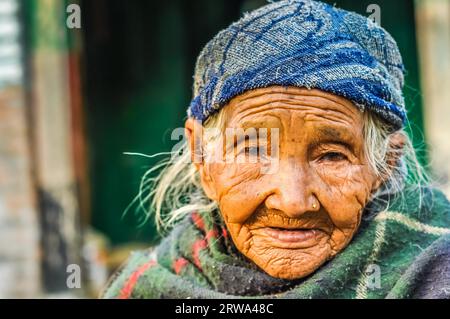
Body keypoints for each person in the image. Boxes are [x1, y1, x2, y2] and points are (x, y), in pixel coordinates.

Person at [102, 0, 450, 299]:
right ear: (201, 155)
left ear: (384, 165)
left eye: (332, 155)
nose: (293, 202)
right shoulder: (152, 284)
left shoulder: (436, 272)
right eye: (253, 150)